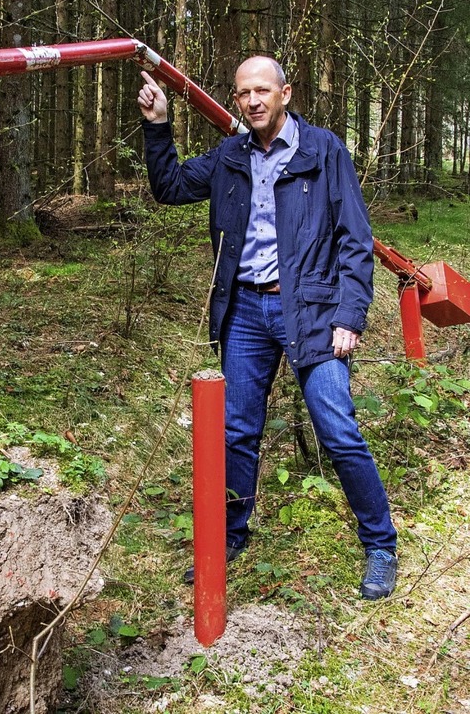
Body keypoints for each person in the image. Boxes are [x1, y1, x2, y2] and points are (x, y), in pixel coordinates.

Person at [137, 56, 398, 600]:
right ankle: (230, 537)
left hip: (313, 311)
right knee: (237, 432)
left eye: (262, 90)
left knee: (338, 429)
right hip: (246, 314)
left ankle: (380, 545)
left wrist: (351, 316)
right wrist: (158, 125)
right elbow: (169, 187)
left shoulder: (322, 150)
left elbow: (354, 238)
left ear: (285, 93)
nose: (252, 101)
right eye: (242, 93)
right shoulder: (231, 156)